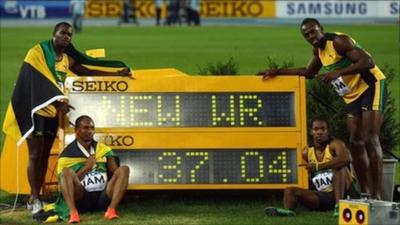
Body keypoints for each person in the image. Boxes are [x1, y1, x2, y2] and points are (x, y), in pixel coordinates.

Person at [2, 22, 132, 215]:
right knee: (35, 155)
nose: (66, 37)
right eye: (63, 33)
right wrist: (56, 103)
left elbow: (85, 71)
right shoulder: (37, 52)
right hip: (34, 110)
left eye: (70, 35)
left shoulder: (66, 59)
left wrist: (115, 74)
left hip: (53, 114)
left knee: (44, 155)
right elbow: (32, 81)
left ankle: (37, 195)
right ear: (54, 34)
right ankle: (35, 198)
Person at [257, 18, 386, 199]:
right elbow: (309, 72)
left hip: (371, 85)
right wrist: (278, 72)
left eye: (313, 31)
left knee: (370, 137)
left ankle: (377, 195)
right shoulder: (318, 50)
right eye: (306, 35)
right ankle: (365, 194)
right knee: (356, 142)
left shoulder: (339, 41)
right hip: (352, 95)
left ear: (321, 29)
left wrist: (338, 72)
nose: (311, 36)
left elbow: (368, 61)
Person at [265, 118, 359, 217]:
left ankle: (339, 206)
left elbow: (346, 159)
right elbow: (312, 175)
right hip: (323, 196)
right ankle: (287, 211)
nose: (319, 132)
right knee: (289, 190)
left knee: (339, 167)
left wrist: (318, 166)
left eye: (323, 129)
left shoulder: (335, 144)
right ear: (311, 131)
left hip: (346, 193)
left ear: (328, 131)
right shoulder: (306, 152)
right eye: (316, 129)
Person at [57, 115, 129, 223]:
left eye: (92, 128)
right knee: (65, 172)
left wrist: (108, 160)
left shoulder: (103, 149)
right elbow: (65, 185)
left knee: (124, 169)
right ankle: (73, 213)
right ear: (76, 130)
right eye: (86, 128)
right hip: (81, 197)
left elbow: (115, 173)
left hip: (103, 196)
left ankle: (111, 210)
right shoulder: (67, 155)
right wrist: (87, 167)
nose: (90, 131)